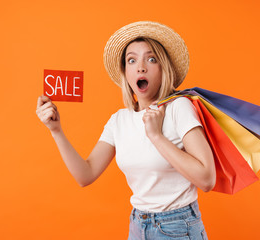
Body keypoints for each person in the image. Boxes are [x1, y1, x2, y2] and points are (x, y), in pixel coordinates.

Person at [36, 21, 216, 240]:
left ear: (163, 68)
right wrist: (56, 130)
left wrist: (156, 136)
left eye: (151, 59)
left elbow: (207, 179)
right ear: (126, 72)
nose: (141, 67)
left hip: (177, 226)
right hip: (138, 226)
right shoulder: (119, 120)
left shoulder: (179, 107)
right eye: (132, 60)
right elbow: (85, 174)